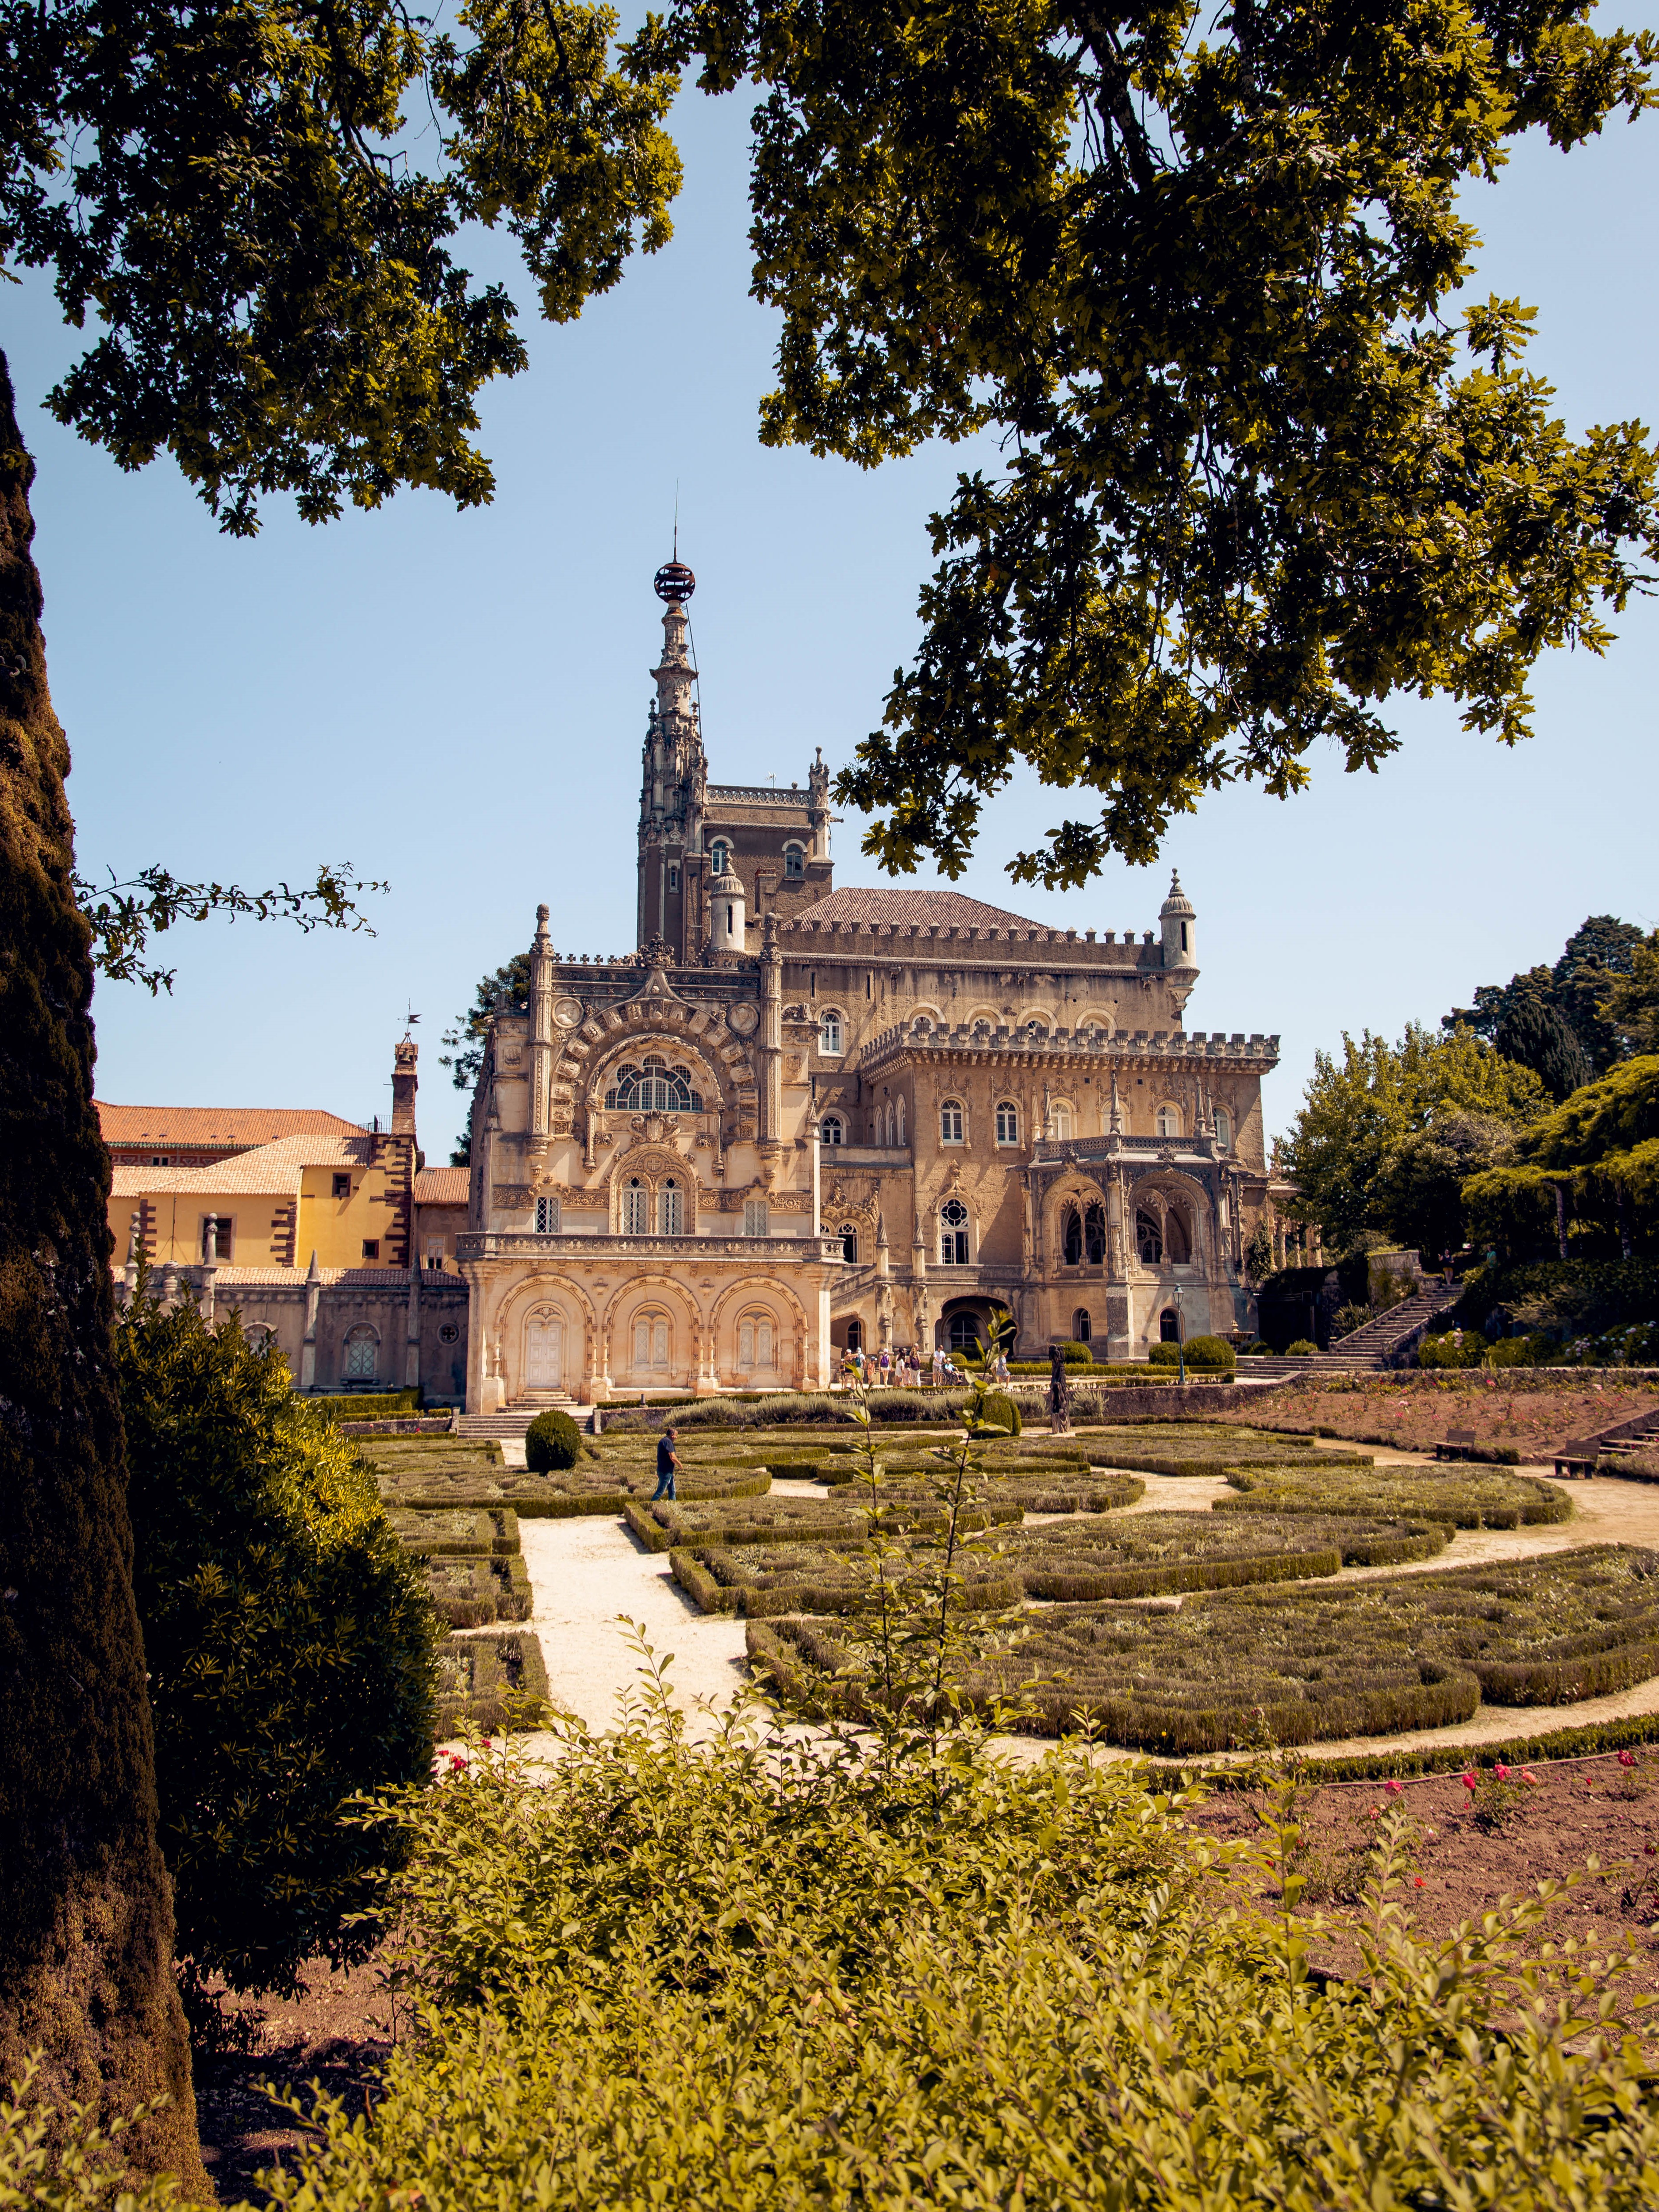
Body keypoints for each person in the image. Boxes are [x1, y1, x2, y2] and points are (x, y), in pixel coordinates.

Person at [652, 1424, 679, 1501]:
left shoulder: (663, 1441)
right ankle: (650, 1505)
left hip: (666, 1471)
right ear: (672, 1435)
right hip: (666, 1471)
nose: (677, 1438)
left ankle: (673, 1506)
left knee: (672, 1491)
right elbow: (673, 1457)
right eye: (676, 1436)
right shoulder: (668, 1442)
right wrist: (680, 1464)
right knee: (660, 1491)